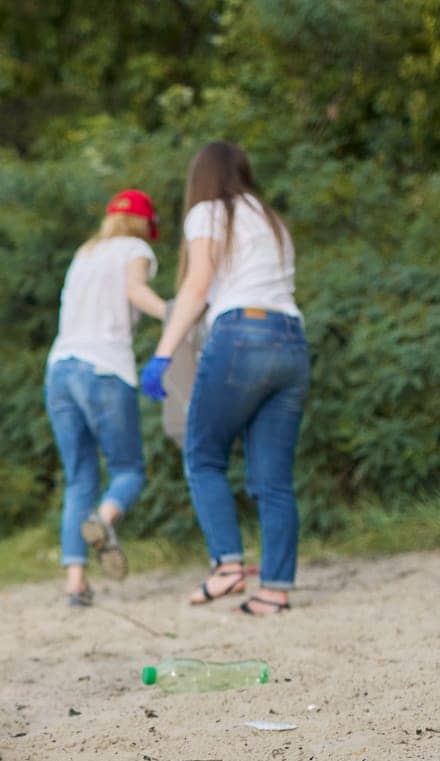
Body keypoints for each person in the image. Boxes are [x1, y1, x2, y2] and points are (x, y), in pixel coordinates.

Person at [142, 142, 307, 615]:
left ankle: (228, 566)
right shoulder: (271, 219)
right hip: (292, 340)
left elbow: (197, 287)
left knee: (203, 453)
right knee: (273, 478)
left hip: (240, 336)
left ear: (203, 177)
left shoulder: (209, 213)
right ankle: (274, 590)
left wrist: (162, 355)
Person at [44, 189, 167, 606]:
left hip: (60, 370)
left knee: (80, 478)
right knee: (129, 471)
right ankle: (103, 518)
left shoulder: (85, 253)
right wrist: (175, 311)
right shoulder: (136, 249)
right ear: (143, 226)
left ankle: (75, 583)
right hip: (105, 368)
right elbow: (135, 290)